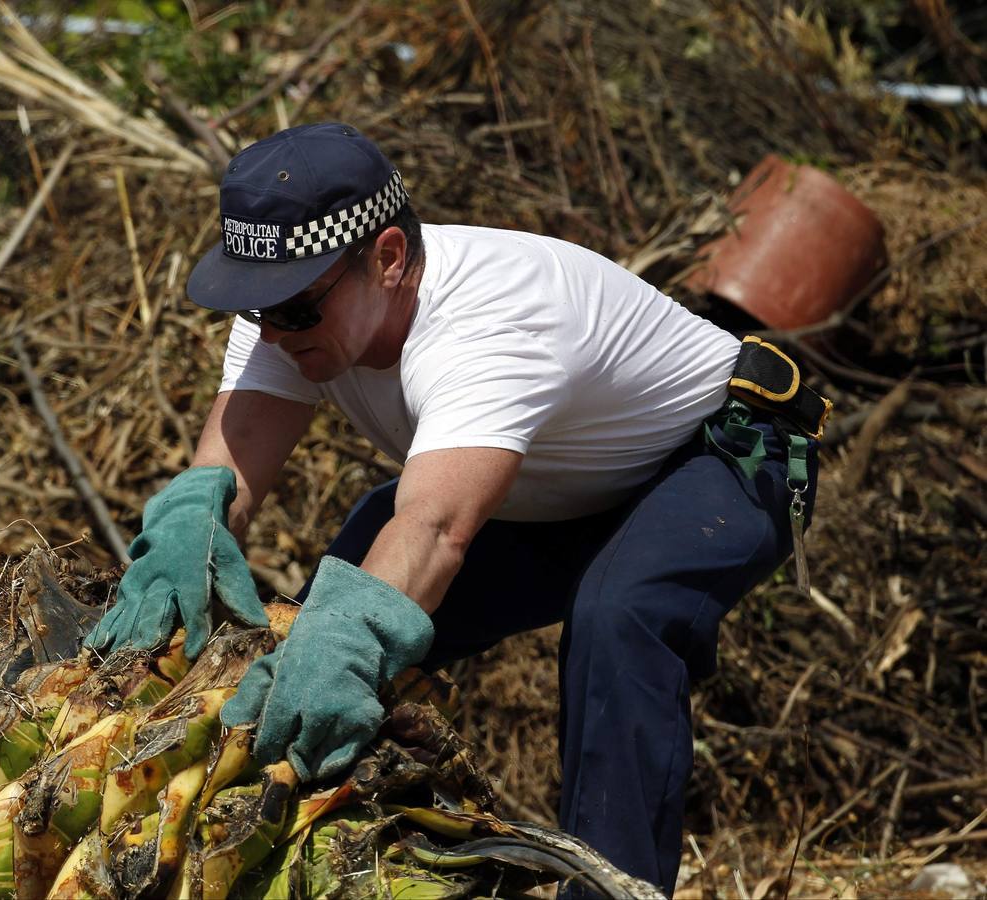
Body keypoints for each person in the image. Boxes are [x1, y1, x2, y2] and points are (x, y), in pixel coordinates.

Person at [84, 122, 827, 896]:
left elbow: (436, 528)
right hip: (553, 486)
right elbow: (227, 481)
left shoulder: (490, 324)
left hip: (715, 459)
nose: (272, 331)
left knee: (618, 618)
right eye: (255, 309)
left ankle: (613, 890)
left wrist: (345, 639)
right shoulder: (288, 309)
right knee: (320, 623)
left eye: (295, 310)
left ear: (390, 259)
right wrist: (188, 530)